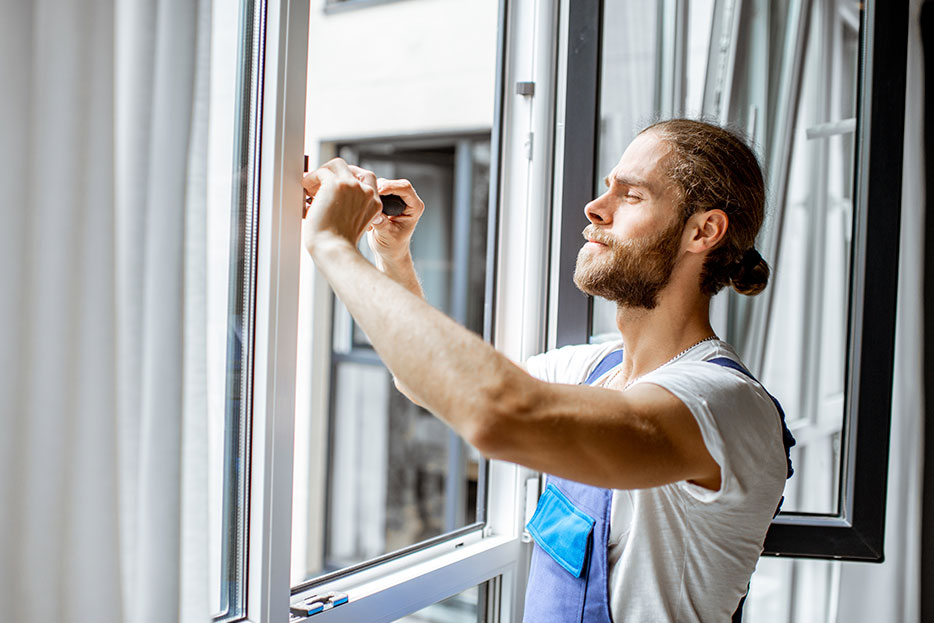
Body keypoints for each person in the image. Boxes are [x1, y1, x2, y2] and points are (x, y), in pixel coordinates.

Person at [302, 119, 794, 623]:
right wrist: (392, 254)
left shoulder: (725, 404)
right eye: (608, 188)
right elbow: (428, 382)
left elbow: (499, 415)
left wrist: (333, 247)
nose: (595, 209)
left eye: (631, 196)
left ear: (703, 230)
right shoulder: (591, 368)